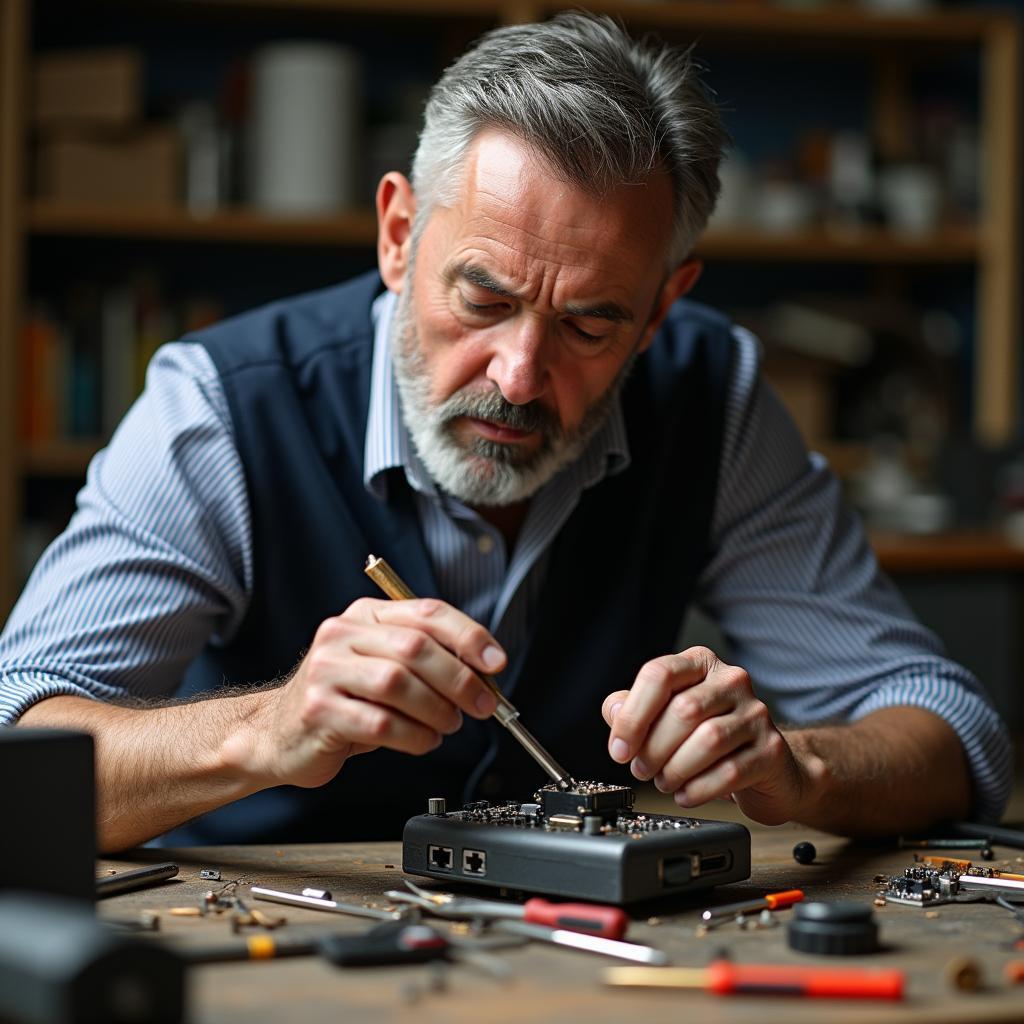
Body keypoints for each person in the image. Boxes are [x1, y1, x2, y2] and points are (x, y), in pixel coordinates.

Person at [0, 13, 1011, 853]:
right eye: (481, 299)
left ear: (661, 308)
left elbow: (951, 729)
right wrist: (266, 730)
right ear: (398, 236)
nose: (518, 377)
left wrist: (799, 764)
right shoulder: (219, 404)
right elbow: (20, 746)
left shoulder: (713, 394)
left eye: (590, 323)